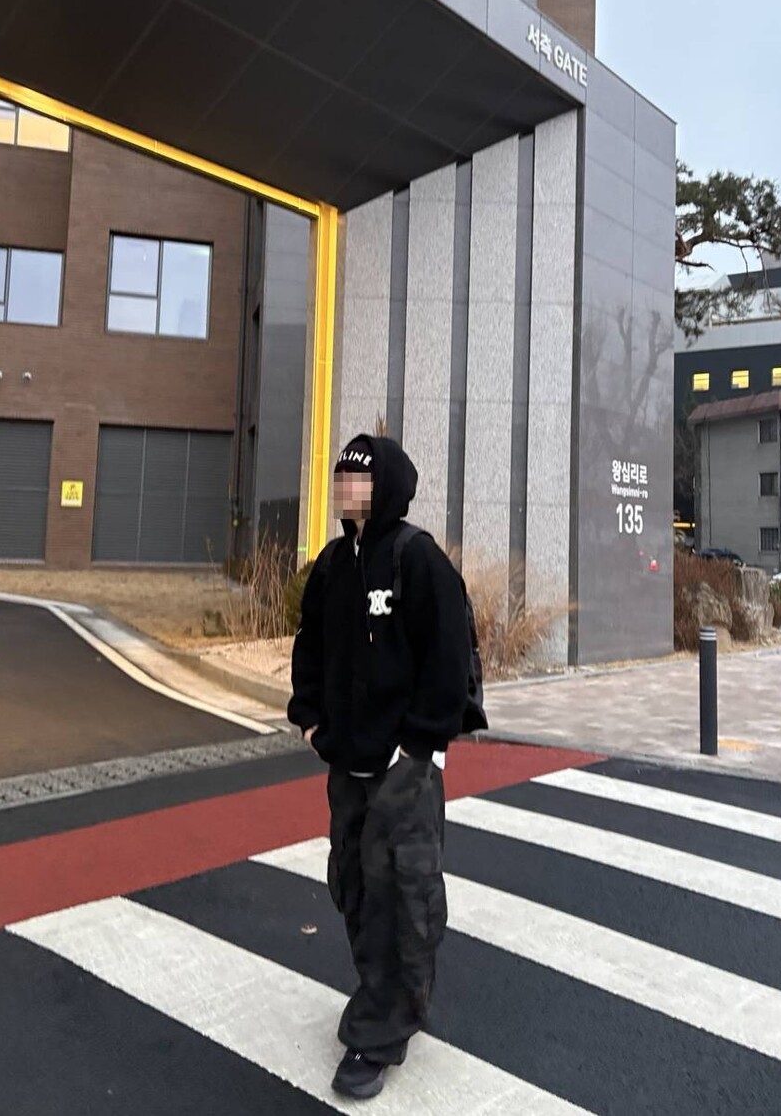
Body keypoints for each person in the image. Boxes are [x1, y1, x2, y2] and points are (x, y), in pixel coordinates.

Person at [288, 434, 471, 1101]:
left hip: (403, 769)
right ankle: (382, 994)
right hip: (347, 762)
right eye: (341, 476)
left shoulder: (417, 559)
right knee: (355, 887)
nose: (347, 487)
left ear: (386, 485)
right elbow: (310, 644)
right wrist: (310, 718)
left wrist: (417, 745)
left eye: (359, 477)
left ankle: (379, 1032)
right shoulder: (334, 564)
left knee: (403, 897)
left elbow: (450, 657)